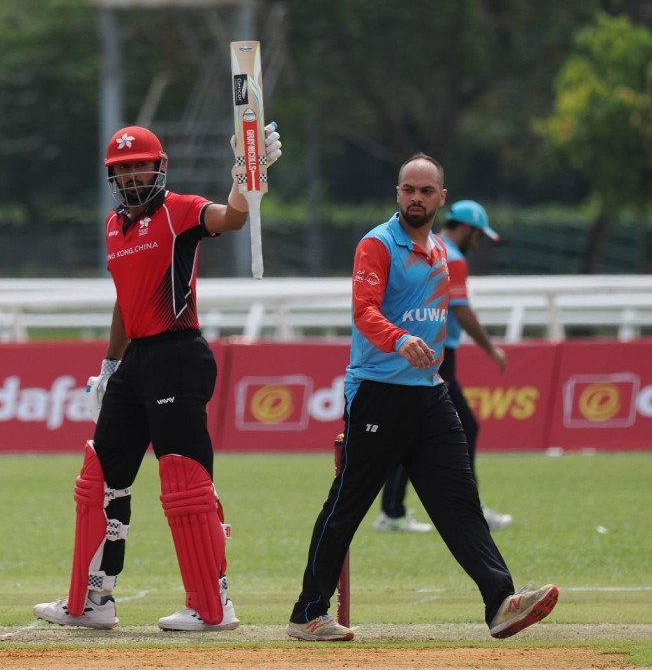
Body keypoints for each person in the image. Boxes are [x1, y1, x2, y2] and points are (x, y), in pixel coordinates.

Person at [286, 153, 557, 642]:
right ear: (398, 194)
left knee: (460, 503)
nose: (416, 197)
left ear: (441, 198)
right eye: (408, 189)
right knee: (347, 505)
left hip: (430, 397)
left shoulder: (439, 253)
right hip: (378, 394)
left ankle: (501, 602)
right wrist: (399, 340)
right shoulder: (377, 244)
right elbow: (363, 310)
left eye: (425, 191)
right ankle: (308, 612)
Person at [33, 123, 282, 632]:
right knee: (101, 479)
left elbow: (233, 218)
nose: (130, 175)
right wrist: (108, 367)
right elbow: (126, 303)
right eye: (121, 169)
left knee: (186, 485)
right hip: (136, 363)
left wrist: (247, 174)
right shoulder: (112, 226)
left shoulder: (180, 211)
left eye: (138, 165)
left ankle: (213, 604)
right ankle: (93, 599)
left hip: (179, 355)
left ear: (158, 166)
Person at [374, 199, 513, 534]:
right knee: (442, 430)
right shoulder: (453, 257)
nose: (477, 242)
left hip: (420, 350)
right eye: (477, 234)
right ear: (465, 229)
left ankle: (397, 511)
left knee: (446, 428)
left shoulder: (428, 247)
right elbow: (462, 312)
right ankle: (456, 509)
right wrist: (491, 350)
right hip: (439, 355)